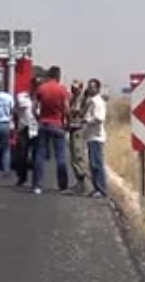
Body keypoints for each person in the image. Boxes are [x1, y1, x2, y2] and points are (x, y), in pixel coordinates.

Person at [31, 65, 71, 195]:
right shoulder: (62, 90)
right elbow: (66, 109)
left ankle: (37, 185)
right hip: (58, 124)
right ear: (58, 76)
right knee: (60, 156)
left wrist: (38, 118)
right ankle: (63, 186)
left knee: (40, 155)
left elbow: (34, 107)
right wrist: (66, 122)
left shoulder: (42, 88)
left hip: (43, 123)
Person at [83, 78, 109, 198]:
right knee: (93, 164)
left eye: (92, 87)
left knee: (96, 163)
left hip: (96, 136)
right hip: (91, 135)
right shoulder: (92, 100)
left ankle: (101, 189)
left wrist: (87, 120)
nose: (90, 88)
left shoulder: (97, 102)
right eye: (89, 86)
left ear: (98, 89)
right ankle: (96, 187)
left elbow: (100, 118)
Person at [13, 76, 41, 187]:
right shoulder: (22, 97)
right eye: (35, 85)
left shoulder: (42, 99)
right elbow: (16, 110)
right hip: (24, 128)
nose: (36, 87)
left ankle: (36, 180)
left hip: (37, 129)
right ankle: (22, 177)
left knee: (37, 156)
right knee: (21, 156)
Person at [66, 79, 89, 193]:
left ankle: (82, 184)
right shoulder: (72, 98)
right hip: (72, 128)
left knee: (78, 154)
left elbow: (81, 113)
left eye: (75, 87)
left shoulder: (83, 100)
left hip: (78, 129)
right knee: (73, 156)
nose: (73, 89)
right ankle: (79, 182)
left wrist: (75, 112)